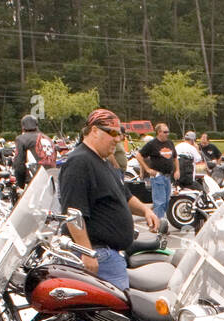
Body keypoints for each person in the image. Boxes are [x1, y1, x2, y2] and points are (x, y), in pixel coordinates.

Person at [58, 109, 157, 290]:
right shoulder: (79, 162)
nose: (118, 139)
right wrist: (87, 253)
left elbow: (124, 196)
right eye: (112, 133)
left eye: (120, 134)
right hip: (98, 255)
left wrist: (145, 210)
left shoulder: (103, 161)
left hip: (109, 255)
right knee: (109, 316)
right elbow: (73, 214)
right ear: (94, 131)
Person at [138, 122, 178, 220]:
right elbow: (139, 156)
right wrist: (147, 169)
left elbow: (175, 157)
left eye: (168, 132)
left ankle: (158, 220)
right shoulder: (152, 144)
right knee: (159, 202)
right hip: (158, 176)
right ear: (159, 132)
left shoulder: (170, 143)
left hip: (168, 176)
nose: (167, 134)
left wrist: (177, 170)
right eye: (165, 132)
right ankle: (159, 225)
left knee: (167, 201)